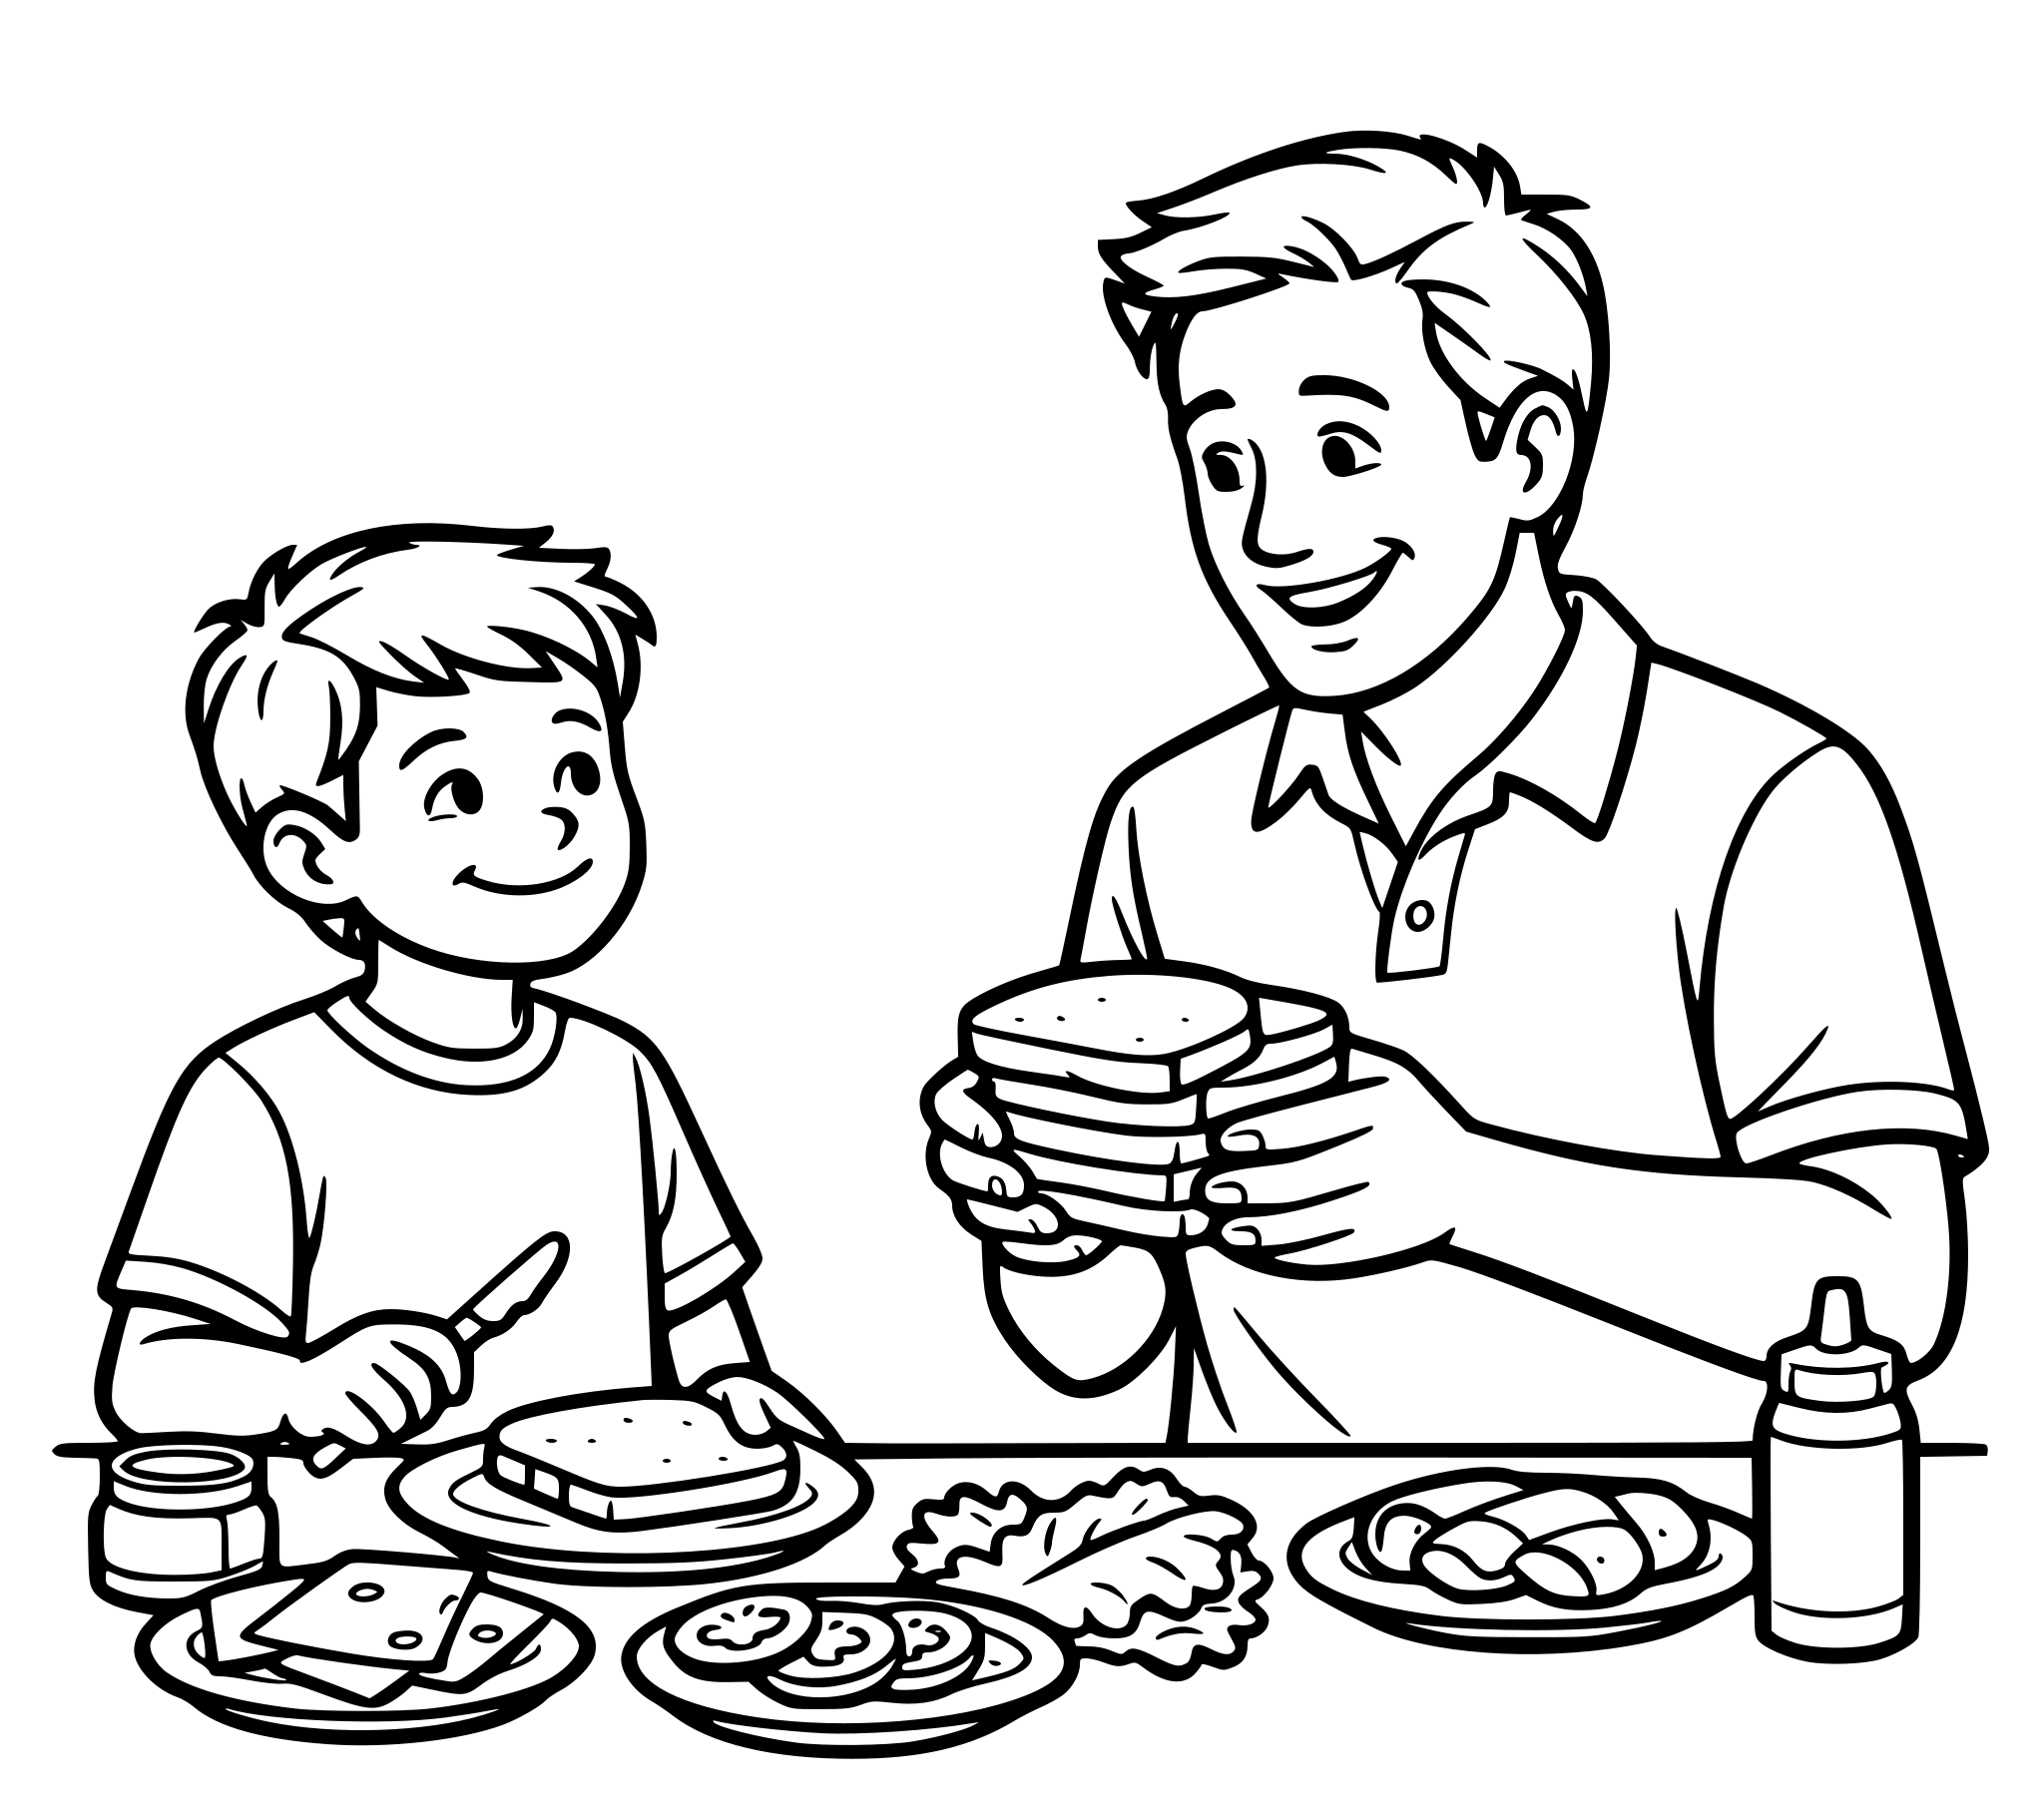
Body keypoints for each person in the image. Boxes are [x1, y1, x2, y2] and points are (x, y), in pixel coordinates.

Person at [923, 134, 1982, 1442]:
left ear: (1527, 456)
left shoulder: (1771, 798)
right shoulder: (1167, 821)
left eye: (1345, 451)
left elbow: (1895, 1285)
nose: (1271, 535)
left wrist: (1472, 1188)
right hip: (1277, 1584)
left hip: (1684, 1577)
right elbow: (1096, 1349)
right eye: (1223, 465)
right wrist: (1045, 1226)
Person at [100, 524, 829, 1454]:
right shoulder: (260, 1094)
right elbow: (147, 1374)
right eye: (461, 790)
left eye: (578, 769)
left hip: (623, 1557)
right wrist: (299, 1386)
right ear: (314, 855)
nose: (555, 818)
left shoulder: (622, 1073)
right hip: (371, 1567)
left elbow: (695, 1320)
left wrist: (735, 1391)